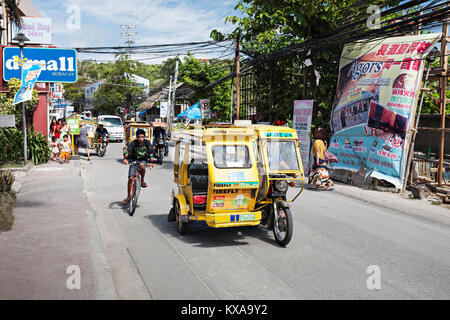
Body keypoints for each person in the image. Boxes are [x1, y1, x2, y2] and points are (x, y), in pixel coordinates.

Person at [122, 129, 154, 205]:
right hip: (133, 160)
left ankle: (142, 181)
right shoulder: (133, 143)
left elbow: (151, 152)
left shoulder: (147, 143)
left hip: (143, 160)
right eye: (139, 137)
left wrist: (151, 162)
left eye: (142, 137)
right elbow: (128, 151)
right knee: (130, 179)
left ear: (144, 137)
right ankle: (128, 197)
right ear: (136, 137)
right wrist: (126, 159)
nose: (140, 139)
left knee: (142, 166)